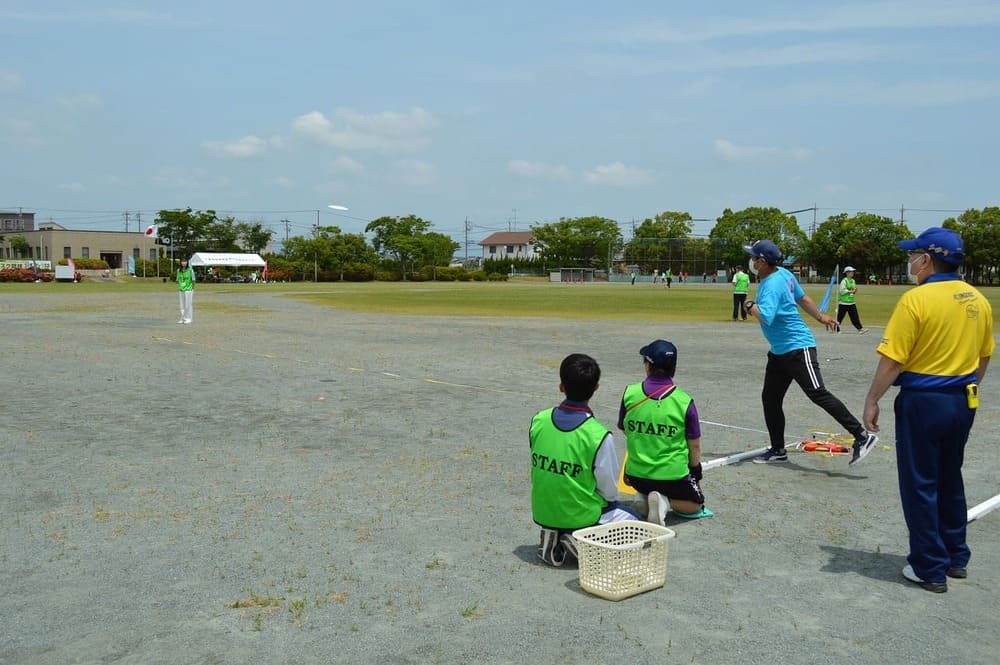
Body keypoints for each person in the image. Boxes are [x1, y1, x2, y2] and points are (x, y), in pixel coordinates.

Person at [862, 228, 993, 593]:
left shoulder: (916, 300)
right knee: (951, 477)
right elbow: (984, 356)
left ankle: (928, 567)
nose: (911, 262)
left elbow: (893, 360)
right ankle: (955, 555)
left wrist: (873, 399)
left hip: (924, 400)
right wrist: (966, 388)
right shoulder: (977, 299)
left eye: (914, 254)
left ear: (928, 259)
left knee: (920, 482)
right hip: (962, 398)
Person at [742, 240, 878, 465]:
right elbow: (802, 298)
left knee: (817, 392)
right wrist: (820, 316)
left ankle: (862, 436)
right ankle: (778, 449)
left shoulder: (773, 284)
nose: (752, 261)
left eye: (754, 257)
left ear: (763, 262)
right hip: (779, 352)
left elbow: (765, 315)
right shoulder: (783, 274)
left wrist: (749, 305)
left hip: (797, 348)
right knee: (771, 399)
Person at [529, 353, 640, 567]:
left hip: (543, 509)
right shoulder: (597, 434)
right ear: (596, 387)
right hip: (580, 515)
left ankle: (555, 536)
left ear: (561, 386)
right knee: (636, 523)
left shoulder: (539, 420)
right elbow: (608, 491)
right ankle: (582, 540)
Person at [618, 340, 711, 525]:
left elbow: (627, 431)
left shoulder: (630, 393)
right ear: (674, 368)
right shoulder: (684, 401)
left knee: (649, 483)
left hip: (636, 476)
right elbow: (694, 446)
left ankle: (644, 498)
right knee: (696, 505)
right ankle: (663, 501)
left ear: (648, 365)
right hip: (672, 477)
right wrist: (696, 474)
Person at [836, 266, 868, 334]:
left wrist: (854, 291)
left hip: (851, 302)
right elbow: (842, 291)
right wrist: (850, 291)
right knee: (840, 317)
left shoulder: (853, 281)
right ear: (847, 273)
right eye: (851, 272)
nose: (852, 273)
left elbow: (853, 289)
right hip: (843, 303)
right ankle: (836, 328)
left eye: (853, 271)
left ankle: (860, 329)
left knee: (855, 316)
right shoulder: (844, 281)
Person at [175, 257, 195, 324]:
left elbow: (193, 280)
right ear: (180, 262)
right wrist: (180, 283)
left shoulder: (190, 270)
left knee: (188, 304)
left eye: (185, 261)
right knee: (182, 305)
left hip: (188, 289)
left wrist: (192, 288)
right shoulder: (179, 270)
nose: (184, 263)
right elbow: (177, 280)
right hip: (181, 289)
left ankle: (189, 318)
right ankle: (183, 318)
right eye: (182, 261)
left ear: (187, 262)